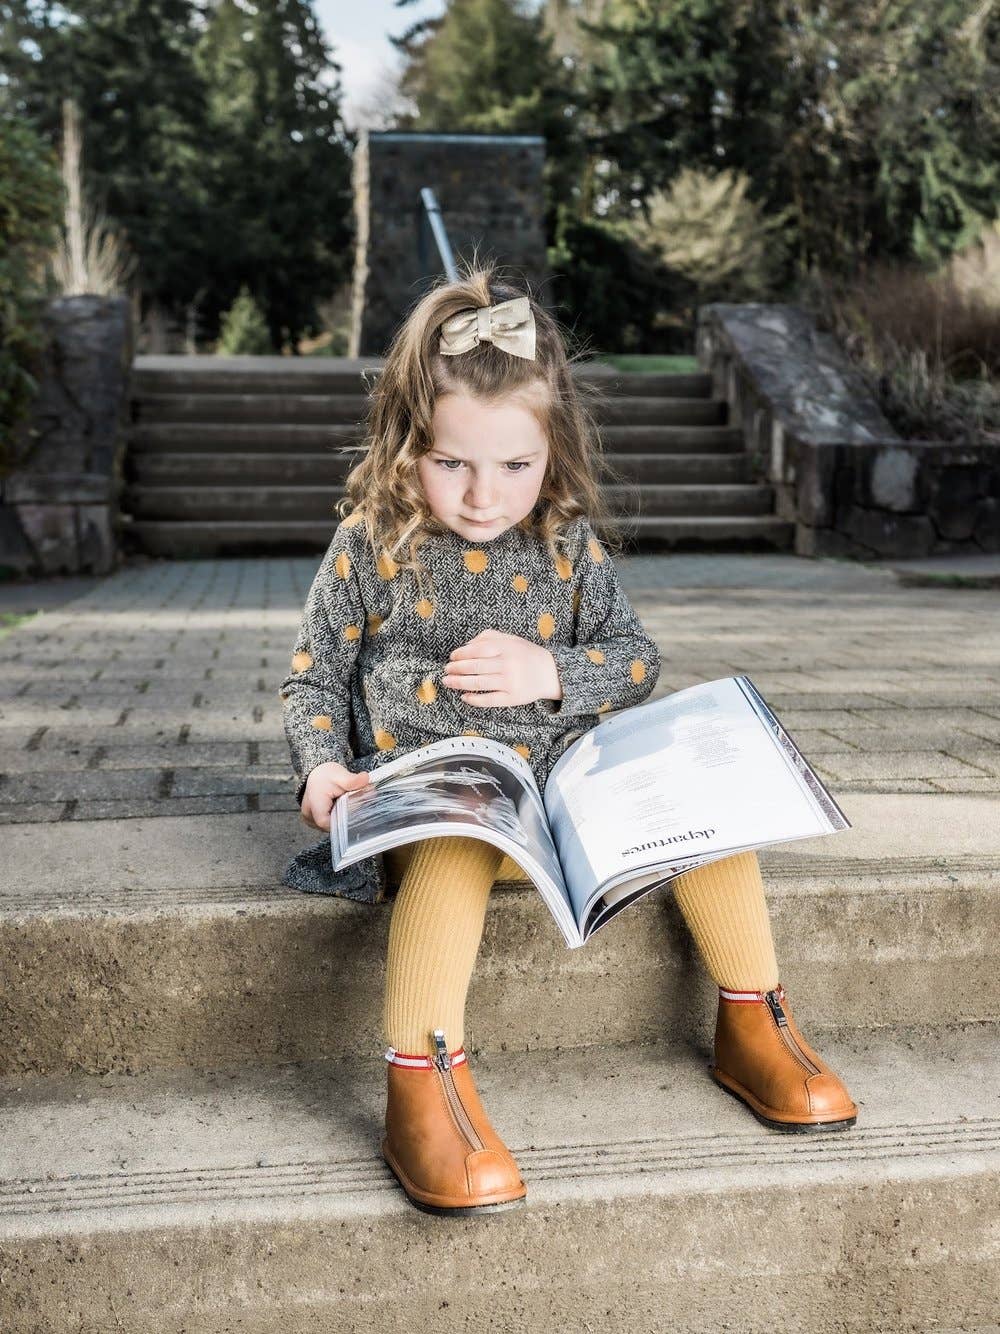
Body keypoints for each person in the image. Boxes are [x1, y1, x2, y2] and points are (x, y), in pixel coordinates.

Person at [278, 261, 858, 1217]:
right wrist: (323, 767)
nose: (481, 494)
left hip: (563, 812)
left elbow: (636, 657)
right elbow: (314, 680)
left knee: (704, 808)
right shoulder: (369, 545)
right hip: (439, 809)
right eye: (450, 462)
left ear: (553, 450)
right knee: (461, 838)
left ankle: (757, 1020)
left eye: (517, 465)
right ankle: (423, 1083)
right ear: (404, 442)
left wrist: (554, 673)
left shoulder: (564, 543)